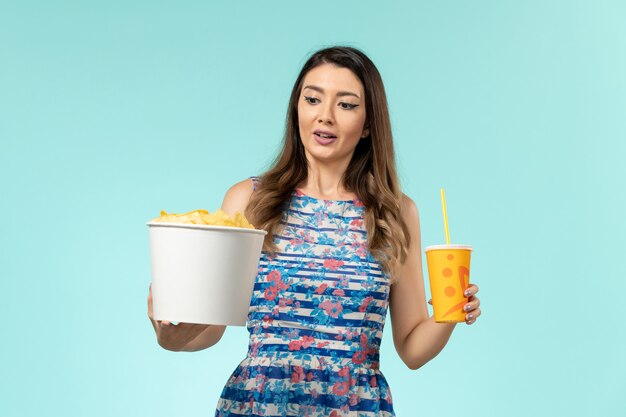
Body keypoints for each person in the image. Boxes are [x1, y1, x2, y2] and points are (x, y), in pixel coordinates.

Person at [147, 46, 482, 416]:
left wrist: (451, 312)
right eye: (312, 99)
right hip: (258, 406)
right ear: (297, 108)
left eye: (347, 105)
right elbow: (210, 326)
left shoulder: (396, 212)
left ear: (369, 124)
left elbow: (412, 348)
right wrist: (172, 337)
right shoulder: (248, 201)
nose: (325, 117)